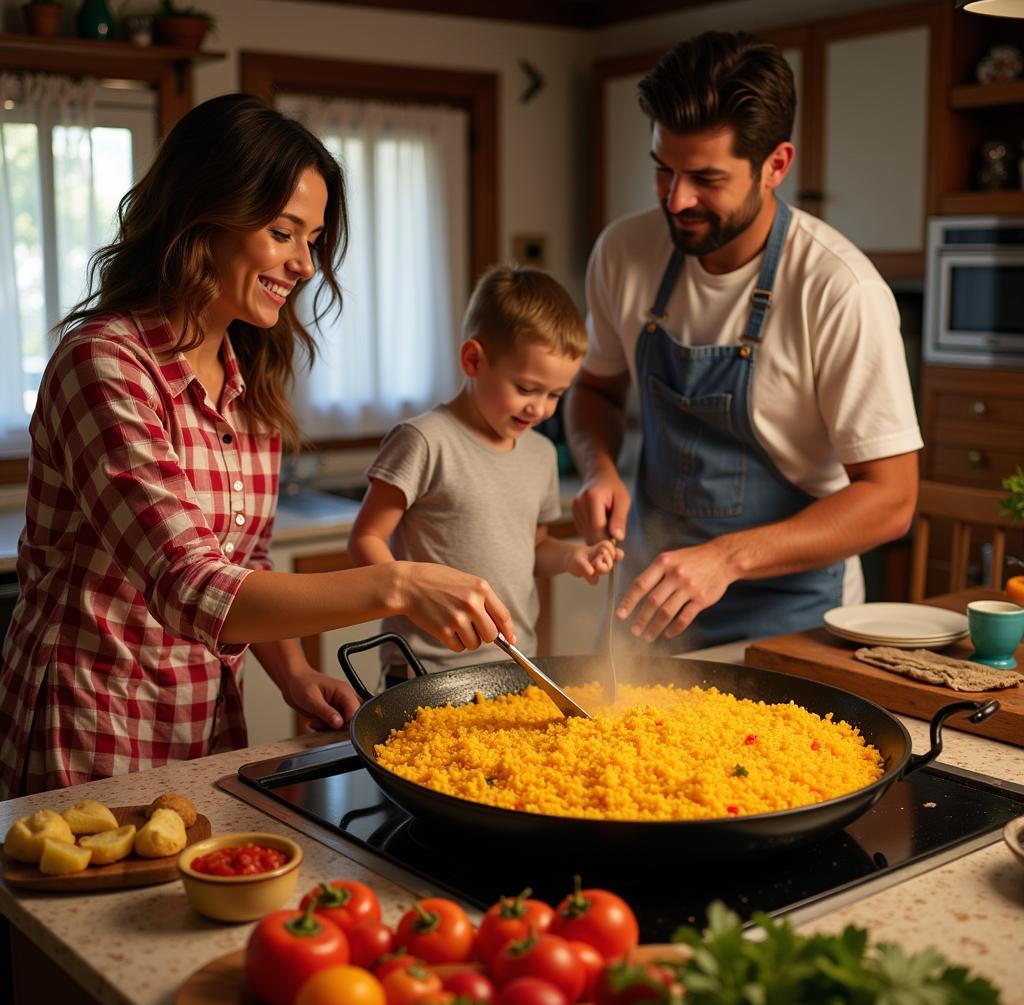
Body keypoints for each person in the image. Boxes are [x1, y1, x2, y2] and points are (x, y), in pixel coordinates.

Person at [0, 94, 514, 800]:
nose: (304, 264)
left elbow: (241, 564)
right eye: (283, 232)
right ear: (203, 215)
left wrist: (295, 674)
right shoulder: (105, 364)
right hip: (93, 723)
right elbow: (194, 587)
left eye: (313, 239)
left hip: (206, 725)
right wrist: (398, 583)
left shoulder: (250, 378)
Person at [566, 31, 922, 652]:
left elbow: (890, 500)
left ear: (775, 165)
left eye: (706, 178)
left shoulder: (839, 290)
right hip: (649, 611)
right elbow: (595, 388)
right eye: (663, 171)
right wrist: (599, 468)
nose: (677, 200)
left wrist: (726, 558)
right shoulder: (623, 252)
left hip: (794, 623)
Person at [348, 265, 620, 682]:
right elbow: (364, 538)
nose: (541, 409)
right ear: (474, 360)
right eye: (527, 389)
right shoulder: (424, 440)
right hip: (425, 667)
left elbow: (535, 549)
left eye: (556, 395)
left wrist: (574, 557)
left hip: (515, 666)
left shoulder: (542, 453)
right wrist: (409, 597)